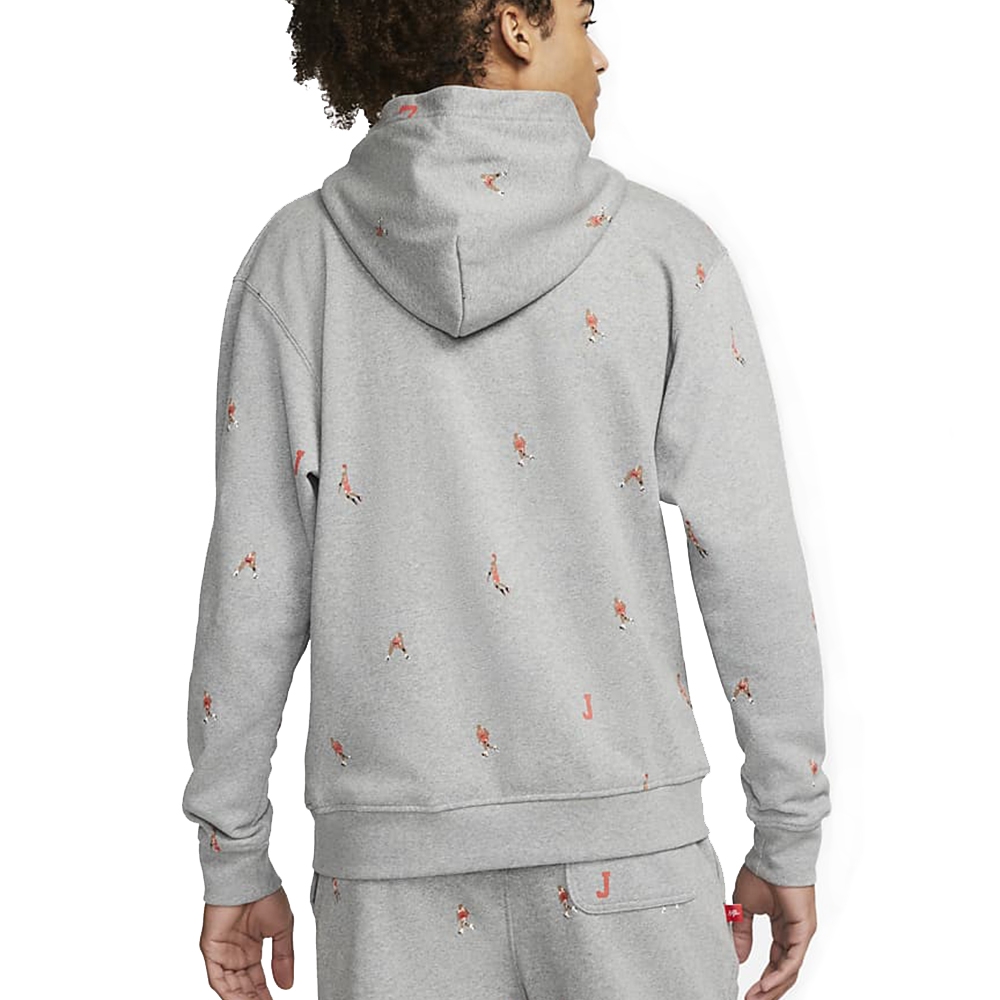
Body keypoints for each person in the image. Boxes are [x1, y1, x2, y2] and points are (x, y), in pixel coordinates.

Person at [181, 2, 832, 998]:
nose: (600, 54)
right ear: (513, 28)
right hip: (632, 855)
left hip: (388, 878)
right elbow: (750, 557)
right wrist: (787, 830)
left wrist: (233, 853)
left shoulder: (297, 261)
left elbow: (253, 580)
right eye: (580, 18)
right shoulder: (666, 254)